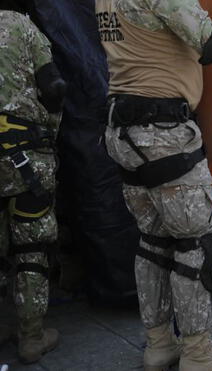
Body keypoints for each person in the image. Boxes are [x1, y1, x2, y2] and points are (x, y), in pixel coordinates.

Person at [94, 0, 212, 370]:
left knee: (153, 242)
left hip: (124, 131)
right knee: (193, 244)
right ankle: (198, 353)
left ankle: (159, 344)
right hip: (163, 132)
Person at [0, 4, 66, 364]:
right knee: (32, 247)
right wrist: (50, 129)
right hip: (23, 158)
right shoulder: (22, 26)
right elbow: (53, 86)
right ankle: (32, 337)